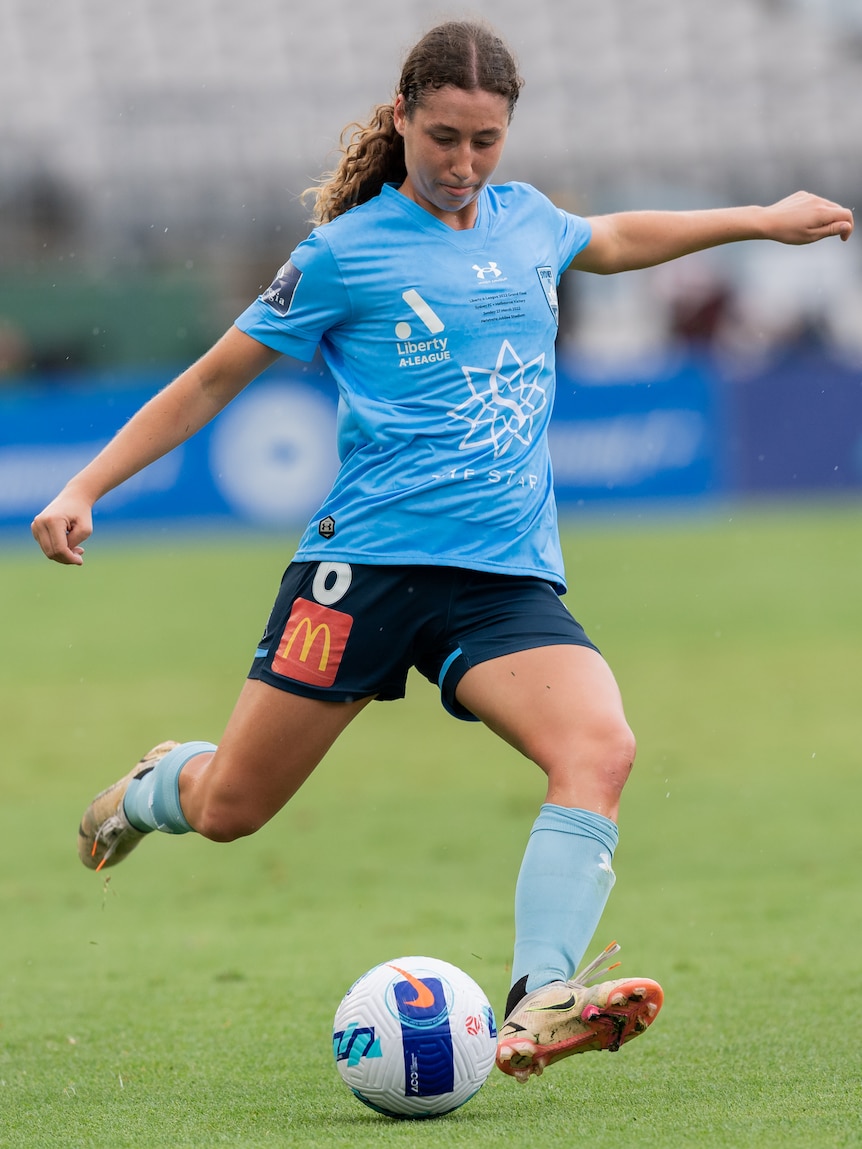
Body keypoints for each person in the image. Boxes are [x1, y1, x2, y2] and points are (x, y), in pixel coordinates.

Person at [32, 20, 854, 1085]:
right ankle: (154, 785)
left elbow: (616, 234)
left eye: (486, 142)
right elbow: (209, 379)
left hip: (502, 580)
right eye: (445, 139)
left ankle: (541, 995)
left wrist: (761, 221)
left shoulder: (527, 222)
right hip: (361, 573)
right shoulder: (343, 254)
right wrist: (86, 484)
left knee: (598, 750)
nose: (465, 165)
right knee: (232, 807)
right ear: (401, 118)